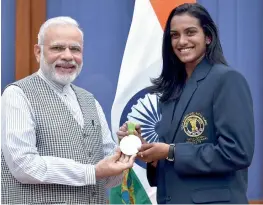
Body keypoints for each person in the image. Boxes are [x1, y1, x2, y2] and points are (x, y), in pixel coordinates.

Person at [118, 3, 254, 204]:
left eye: (190, 32)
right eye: (174, 35)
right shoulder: (172, 90)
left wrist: (170, 151)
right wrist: (149, 152)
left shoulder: (227, 79)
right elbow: (173, 155)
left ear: (208, 37)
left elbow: (237, 152)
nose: (182, 41)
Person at [1, 16, 136, 204]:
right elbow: (23, 165)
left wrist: (123, 152)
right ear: (38, 52)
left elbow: (109, 179)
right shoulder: (17, 95)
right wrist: (91, 172)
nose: (67, 56)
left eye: (75, 49)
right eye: (57, 48)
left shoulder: (90, 100)